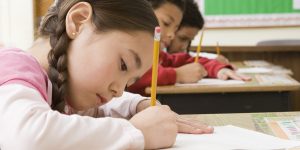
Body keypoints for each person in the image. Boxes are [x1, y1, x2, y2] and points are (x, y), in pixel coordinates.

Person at [0, 0, 212, 149]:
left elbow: (100, 110)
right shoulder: (13, 65)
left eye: (131, 81)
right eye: (123, 64)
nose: (119, 91)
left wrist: (137, 105)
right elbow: (28, 138)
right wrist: (136, 132)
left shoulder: (63, 87)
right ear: (79, 21)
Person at [128, 0, 250, 96]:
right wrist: (178, 74)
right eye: (166, 23)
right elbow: (135, 76)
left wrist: (217, 68)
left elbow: (184, 59)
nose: (171, 34)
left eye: (175, 28)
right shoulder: (126, 52)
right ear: (139, 12)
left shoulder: (156, 54)